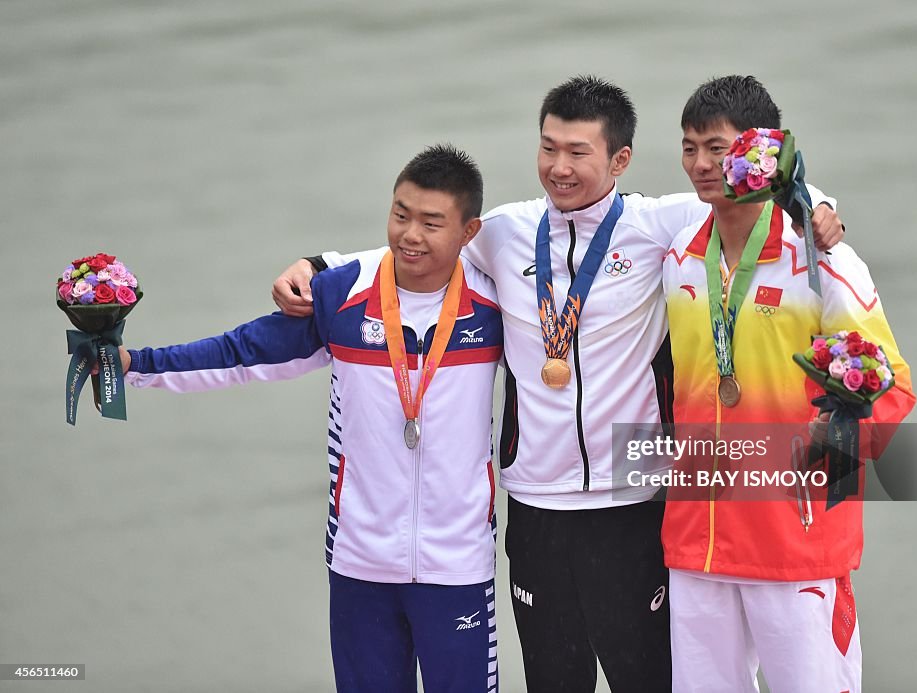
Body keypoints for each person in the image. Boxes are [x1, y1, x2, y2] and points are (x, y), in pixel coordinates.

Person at [272, 76, 845, 692]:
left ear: (620, 159)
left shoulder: (659, 225)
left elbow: (752, 186)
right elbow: (418, 244)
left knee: (647, 680)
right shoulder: (502, 233)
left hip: (632, 507)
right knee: (552, 681)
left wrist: (817, 204)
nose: (559, 167)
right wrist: (317, 265)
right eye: (548, 148)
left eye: (577, 152)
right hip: (537, 506)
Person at [120, 145, 503, 693]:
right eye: (400, 214)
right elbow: (242, 353)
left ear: (469, 232)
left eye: (430, 222)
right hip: (359, 560)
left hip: (460, 565)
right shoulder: (342, 293)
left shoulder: (497, 303)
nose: (410, 235)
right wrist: (136, 366)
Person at [659, 75, 916, 692]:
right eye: (689, 146)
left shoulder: (818, 261)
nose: (699, 164)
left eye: (716, 148)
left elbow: (889, 387)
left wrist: (808, 478)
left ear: (760, 152)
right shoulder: (680, 257)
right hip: (699, 540)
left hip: (792, 542)